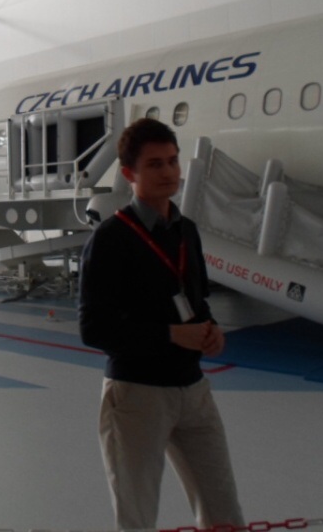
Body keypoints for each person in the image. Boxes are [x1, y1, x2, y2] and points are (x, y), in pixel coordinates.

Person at [78, 117, 244, 531]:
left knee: (224, 514)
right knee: (137, 519)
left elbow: (196, 300)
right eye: (154, 164)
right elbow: (94, 328)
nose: (168, 172)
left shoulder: (186, 231)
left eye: (172, 161)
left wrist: (210, 329)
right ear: (129, 173)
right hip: (137, 396)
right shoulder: (110, 239)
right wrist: (171, 334)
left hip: (193, 392)